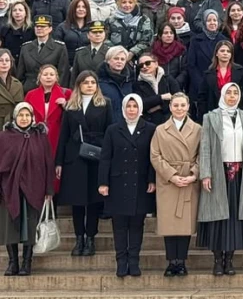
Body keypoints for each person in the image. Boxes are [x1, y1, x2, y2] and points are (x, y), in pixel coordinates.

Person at [54, 70, 112, 258]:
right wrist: (59, 162)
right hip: (75, 157)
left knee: (94, 201)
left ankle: (90, 238)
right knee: (77, 201)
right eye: (85, 82)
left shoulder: (105, 104)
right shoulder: (71, 106)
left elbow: (110, 132)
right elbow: (63, 136)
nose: (89, 85)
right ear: (79, 85)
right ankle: (79, 237)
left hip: (96, 155)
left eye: (92, 82)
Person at [197, 82, 243, 276]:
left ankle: (229, 259)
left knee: (236, 218)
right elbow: (204, 147)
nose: (232, 96)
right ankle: (217, 259)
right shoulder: (211, 117)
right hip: (218, 172)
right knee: (217, 218)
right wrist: (206, 173)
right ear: (222, 94)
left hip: (239, 174)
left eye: (235, 92)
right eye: (228, 92)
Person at [97, 93, 156, 277]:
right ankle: (121, 262)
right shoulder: (113, 129)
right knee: (119, 225)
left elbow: (153, 157)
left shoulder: (150, 128)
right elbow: (105, 158)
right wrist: (103, 182)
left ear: (140, 109)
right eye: (129, 106)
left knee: (137, 224)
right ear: (123, 109)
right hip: (117, 183)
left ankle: (134, 261)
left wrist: (152, 179)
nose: (132, 110)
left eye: (135, 106)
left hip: (140, 183)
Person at [150, 92, 201, 276]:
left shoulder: (197, 129)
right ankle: (172, 261)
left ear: (188, 107)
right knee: (169, 223)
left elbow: (203, 155)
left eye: (182, 105)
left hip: (188, 180)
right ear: (170, 107)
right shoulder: (160, 129)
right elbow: (155, 156)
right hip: (168, 181)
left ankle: (182, 261)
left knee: (184, 224)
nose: (179, 108)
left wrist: (194, 174)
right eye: (176, 105)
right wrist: (172, 176)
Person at [0, 102, 53, 275]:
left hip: (34, 186)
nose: (24, 119)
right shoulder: (5, 136)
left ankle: (26, 262)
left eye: (27, 115)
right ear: (15, 117)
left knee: (30, 226)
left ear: (32, 117)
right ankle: (13, 262)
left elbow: (48, 164)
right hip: (9, 188)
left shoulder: (40, 136)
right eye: (21, 115)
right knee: (10, 225)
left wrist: (49, 190)